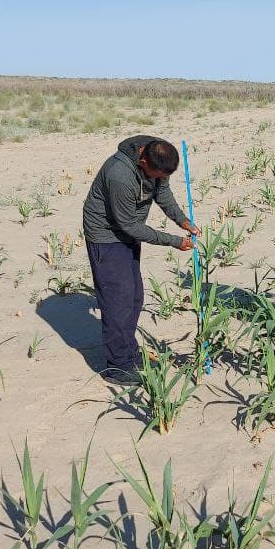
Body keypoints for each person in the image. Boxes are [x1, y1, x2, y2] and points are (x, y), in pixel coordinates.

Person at [82, 135, 197, 382]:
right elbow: (129, 225)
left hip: (126, 232)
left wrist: (182, 220)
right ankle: (117, 367)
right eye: (156, 175)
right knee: (117, 301)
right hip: (107, 235)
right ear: (143, 161)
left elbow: (162, 194)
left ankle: (129, 352)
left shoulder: (160, 157)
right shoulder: (119, 175)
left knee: (134, 297)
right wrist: (175, 241)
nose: (159, 179)